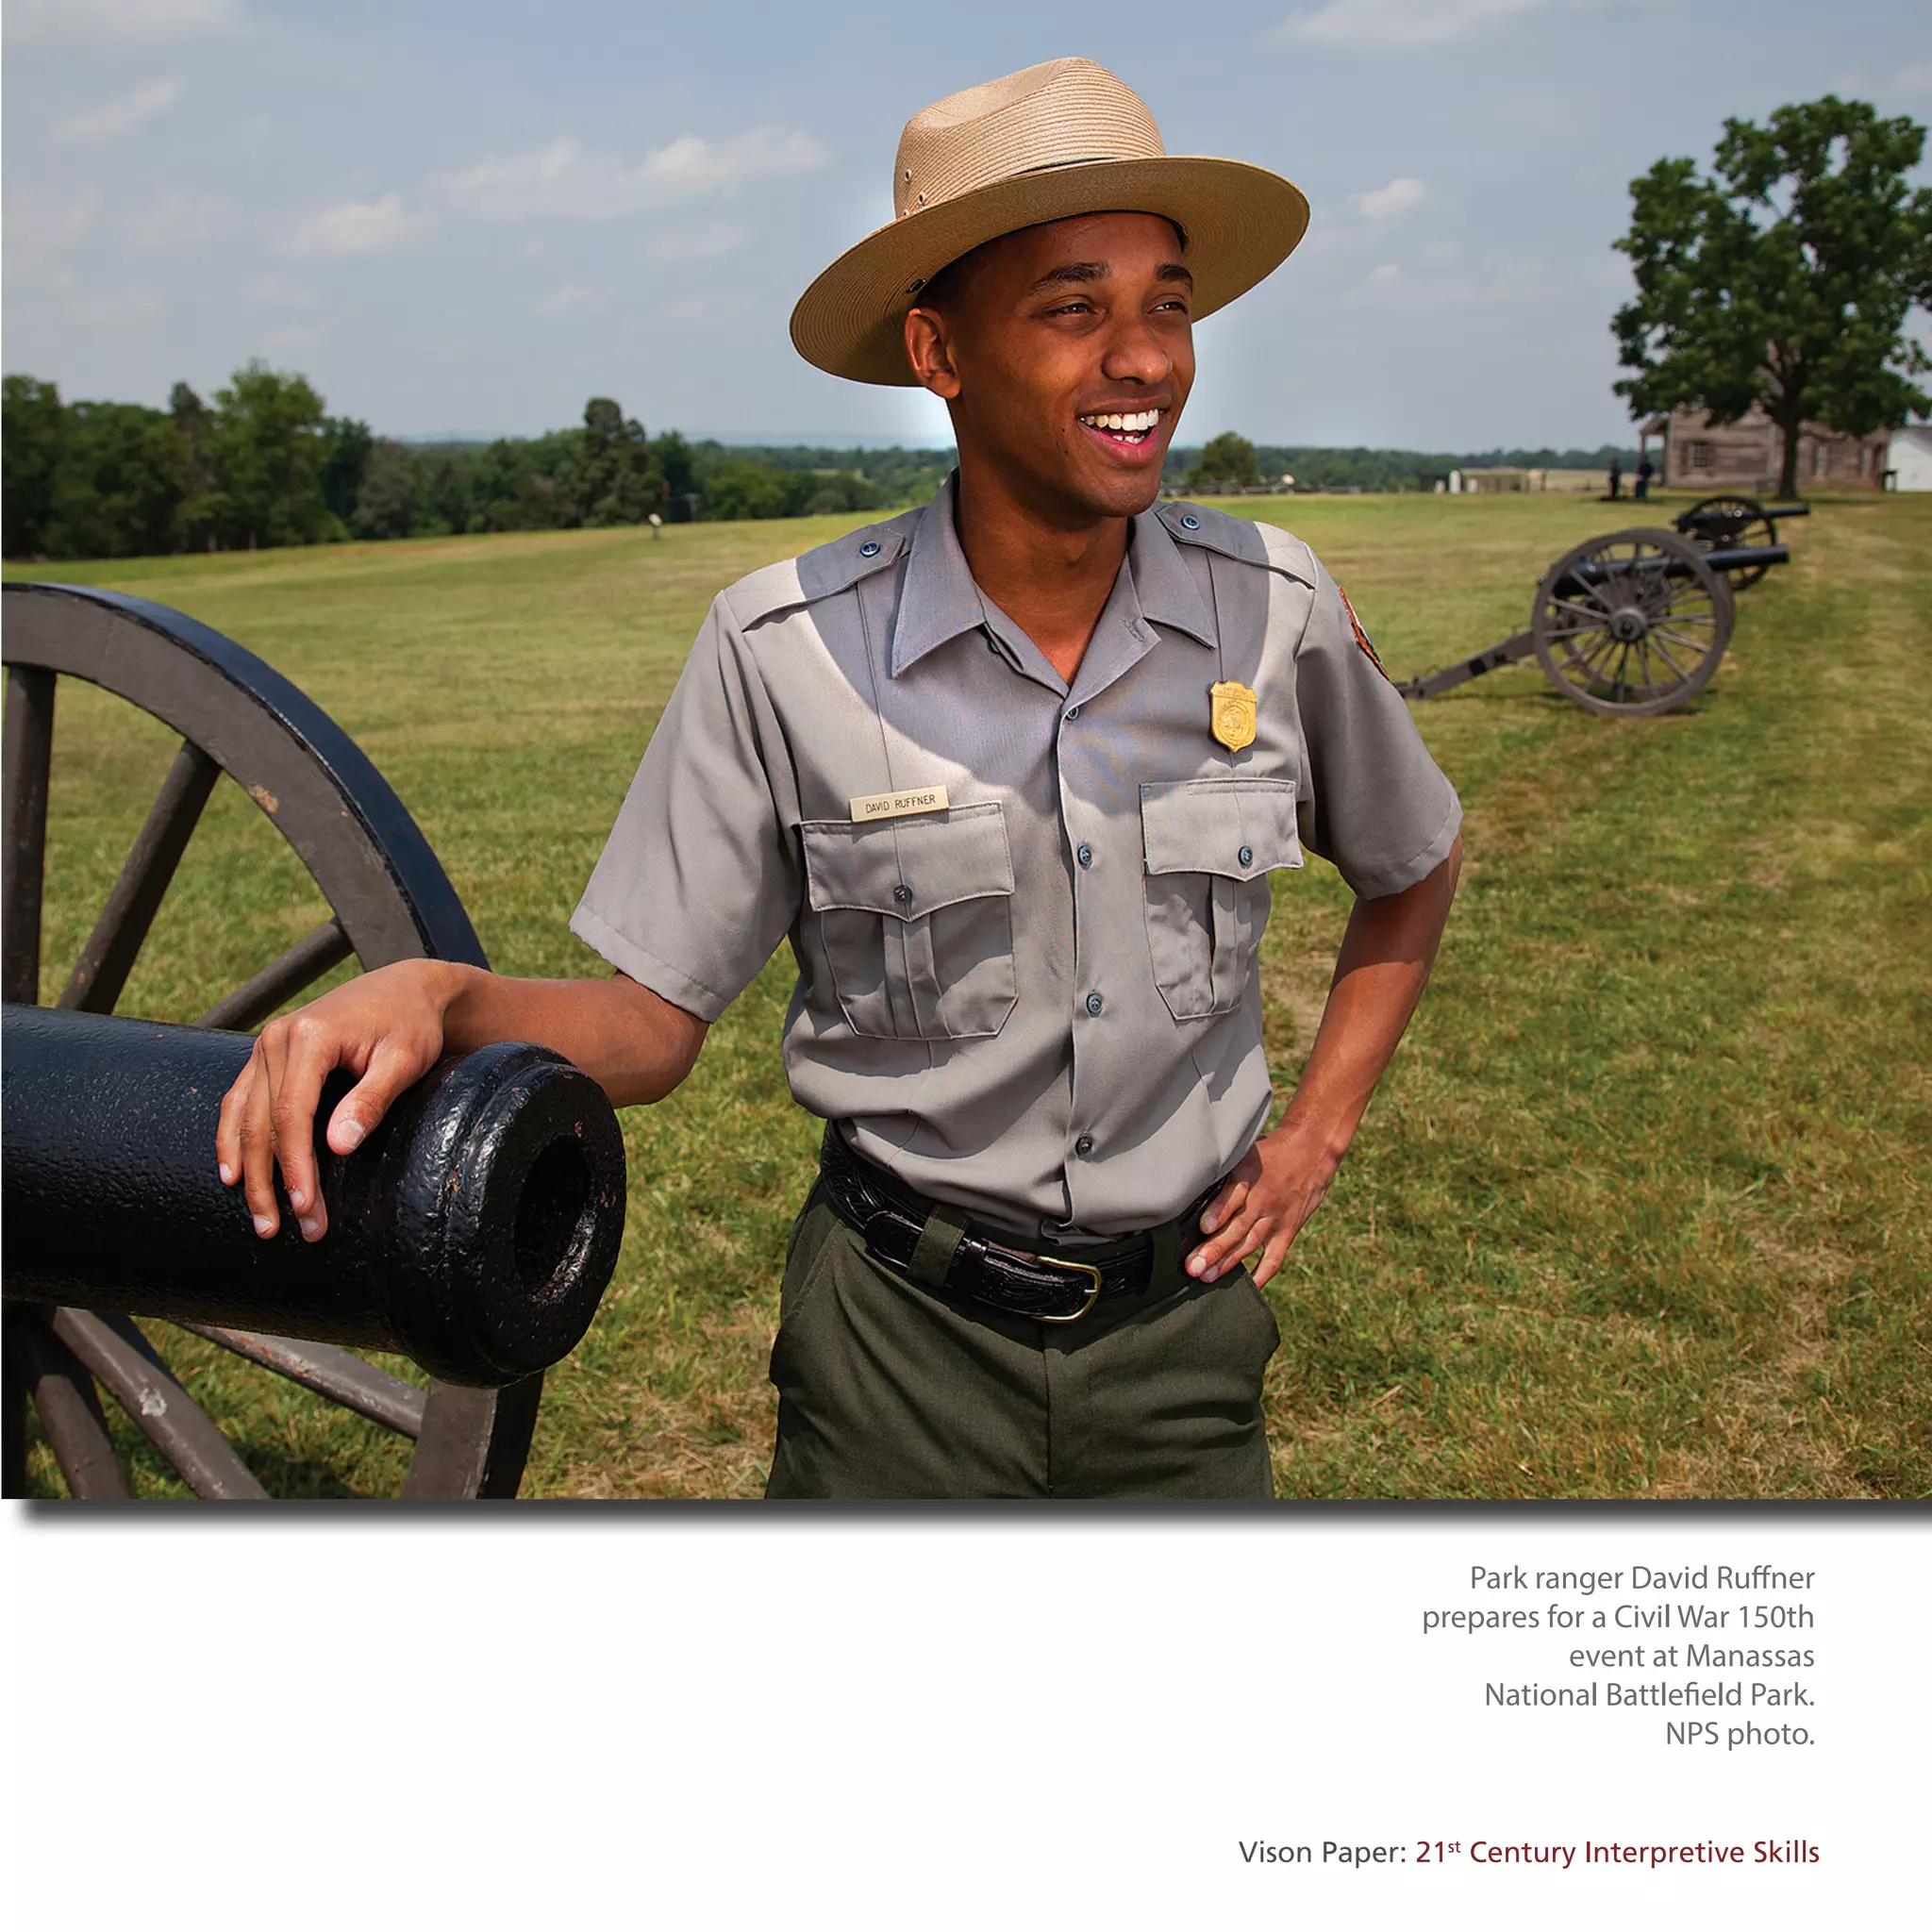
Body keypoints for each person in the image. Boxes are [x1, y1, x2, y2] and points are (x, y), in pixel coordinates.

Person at [216, 58, 1463, 1500]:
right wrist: (445, 997)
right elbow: (651, 1021)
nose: (1147, 358)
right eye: (1075, 307)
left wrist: (1317, 1133)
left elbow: (1414, 861)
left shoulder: (1275, 605)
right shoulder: (784, 648)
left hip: (1181, 1344)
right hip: (896, 1350)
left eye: (1167, 303)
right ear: (939, 353)